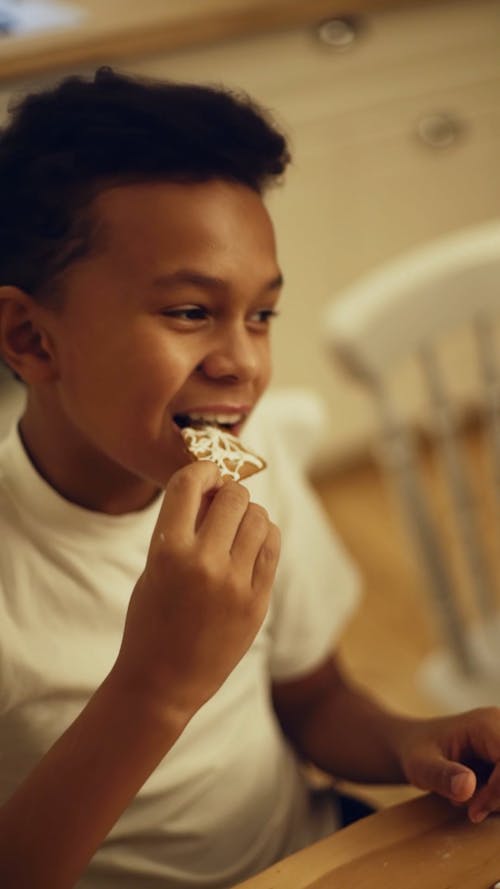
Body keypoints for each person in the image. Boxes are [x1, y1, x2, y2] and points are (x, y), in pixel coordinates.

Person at [0, 67, 498, 889]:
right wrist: (157, 684)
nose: (242, 364)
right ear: (31, 337)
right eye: (191, 312)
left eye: (261, 314)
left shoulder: (252, 452)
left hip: (312, 851)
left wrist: (412, 739)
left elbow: (314, 700)